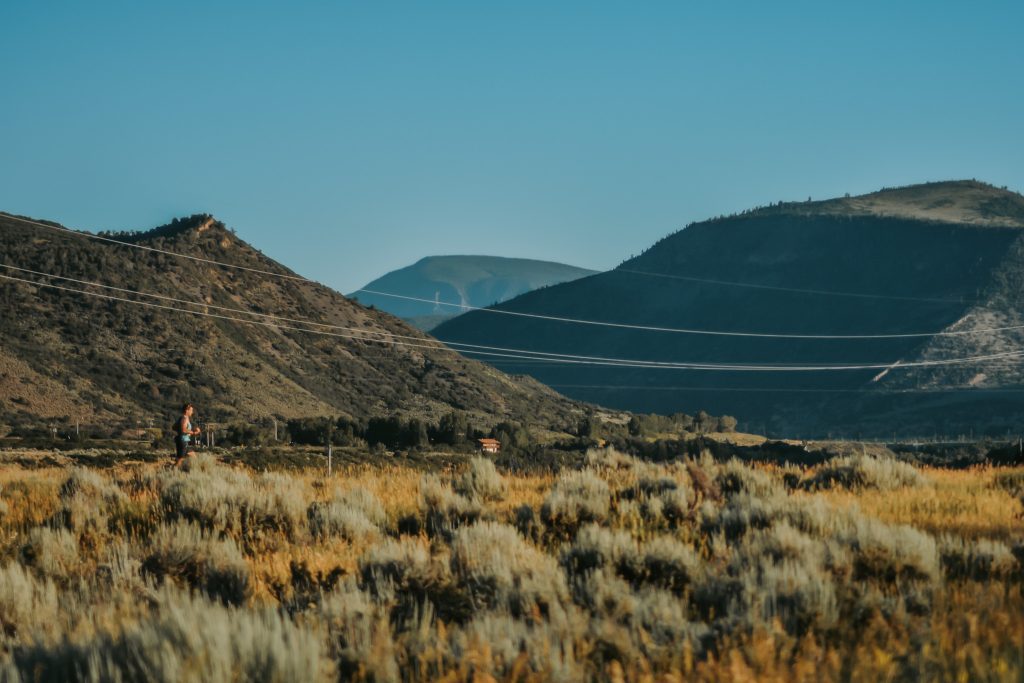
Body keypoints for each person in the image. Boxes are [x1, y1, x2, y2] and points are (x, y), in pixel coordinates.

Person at [173, 403, 202, 469]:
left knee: (194, 457)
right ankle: (171, 471)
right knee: (180, 460)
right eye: (191, 410)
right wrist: (193, 432)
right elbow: (183, 429)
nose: (192, 412)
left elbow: (174, 427)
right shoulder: (184, 418)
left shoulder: (182, 418)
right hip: (183, 441)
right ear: (187, 410)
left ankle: (186, 471)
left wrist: (190, 430)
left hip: (183, 441)